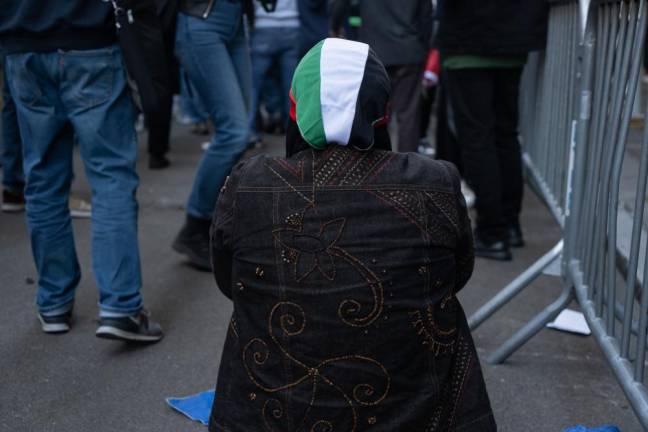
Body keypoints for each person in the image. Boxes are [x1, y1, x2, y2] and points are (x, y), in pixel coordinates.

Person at [208, 39, 496, 431]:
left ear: (295, 109)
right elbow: (459, 272)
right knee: (436, 296)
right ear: (382, 112)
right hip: (410, 413)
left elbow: (228, 280)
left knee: (254, 300)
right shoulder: (435, 182)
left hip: (273, 415)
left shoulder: (250, 183)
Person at [0, 0, 162, 342]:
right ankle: (120, 306)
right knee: (111, 175)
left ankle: (54, 303)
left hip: (22, 44)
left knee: (42, 178)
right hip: (90, 41)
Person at [436, 0, 549, 260]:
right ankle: (509, 225)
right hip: (514, 37)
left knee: (478, 139)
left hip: (468, 37)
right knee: (505, 134)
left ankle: (492, 231)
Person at [172, 0, 263, 270]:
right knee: (234, 132)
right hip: (201, 18)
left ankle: (217, 223)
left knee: (240, 132)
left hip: (234, 19)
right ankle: (195, 224)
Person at [329, 0, 433, 153]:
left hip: (374, 51)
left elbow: (339, 4)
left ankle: (379, 165)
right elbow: (426, 17)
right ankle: (408, 167)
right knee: (408, 115)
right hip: (409, 51)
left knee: (375, 113)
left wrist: (334, 27)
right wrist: (422, 48)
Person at [248, 0, 301, 145]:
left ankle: (250, 132)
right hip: (292, 24)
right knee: (291, 84)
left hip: (263, 24)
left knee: (253, 85)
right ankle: (292, 131)